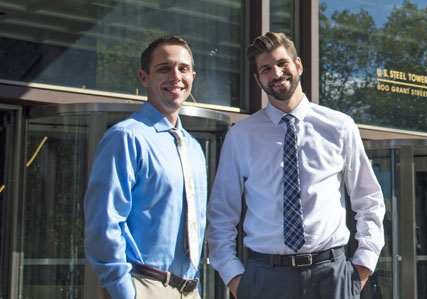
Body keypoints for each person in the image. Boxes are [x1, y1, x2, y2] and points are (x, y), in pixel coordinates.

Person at [207, 32, 385, 299]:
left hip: (332, 276)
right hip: (265, 279)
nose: (276, 73)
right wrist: (237, 281)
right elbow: (221, 214)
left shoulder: (339, 127)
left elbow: (369, 199)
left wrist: (361, 267)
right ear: (258, 80)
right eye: (266, 69)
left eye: (282, 63)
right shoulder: (241, 136)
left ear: (298, 65)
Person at [84, 35, 206, 299]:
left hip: (189, 289)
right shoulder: (126, 138)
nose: (176, 76)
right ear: (143, 77)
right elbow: (104, 223)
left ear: (192, 77)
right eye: (164, 68)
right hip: (143, 286)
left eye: (183, 69)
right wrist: (125, 292)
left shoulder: (194, 148)